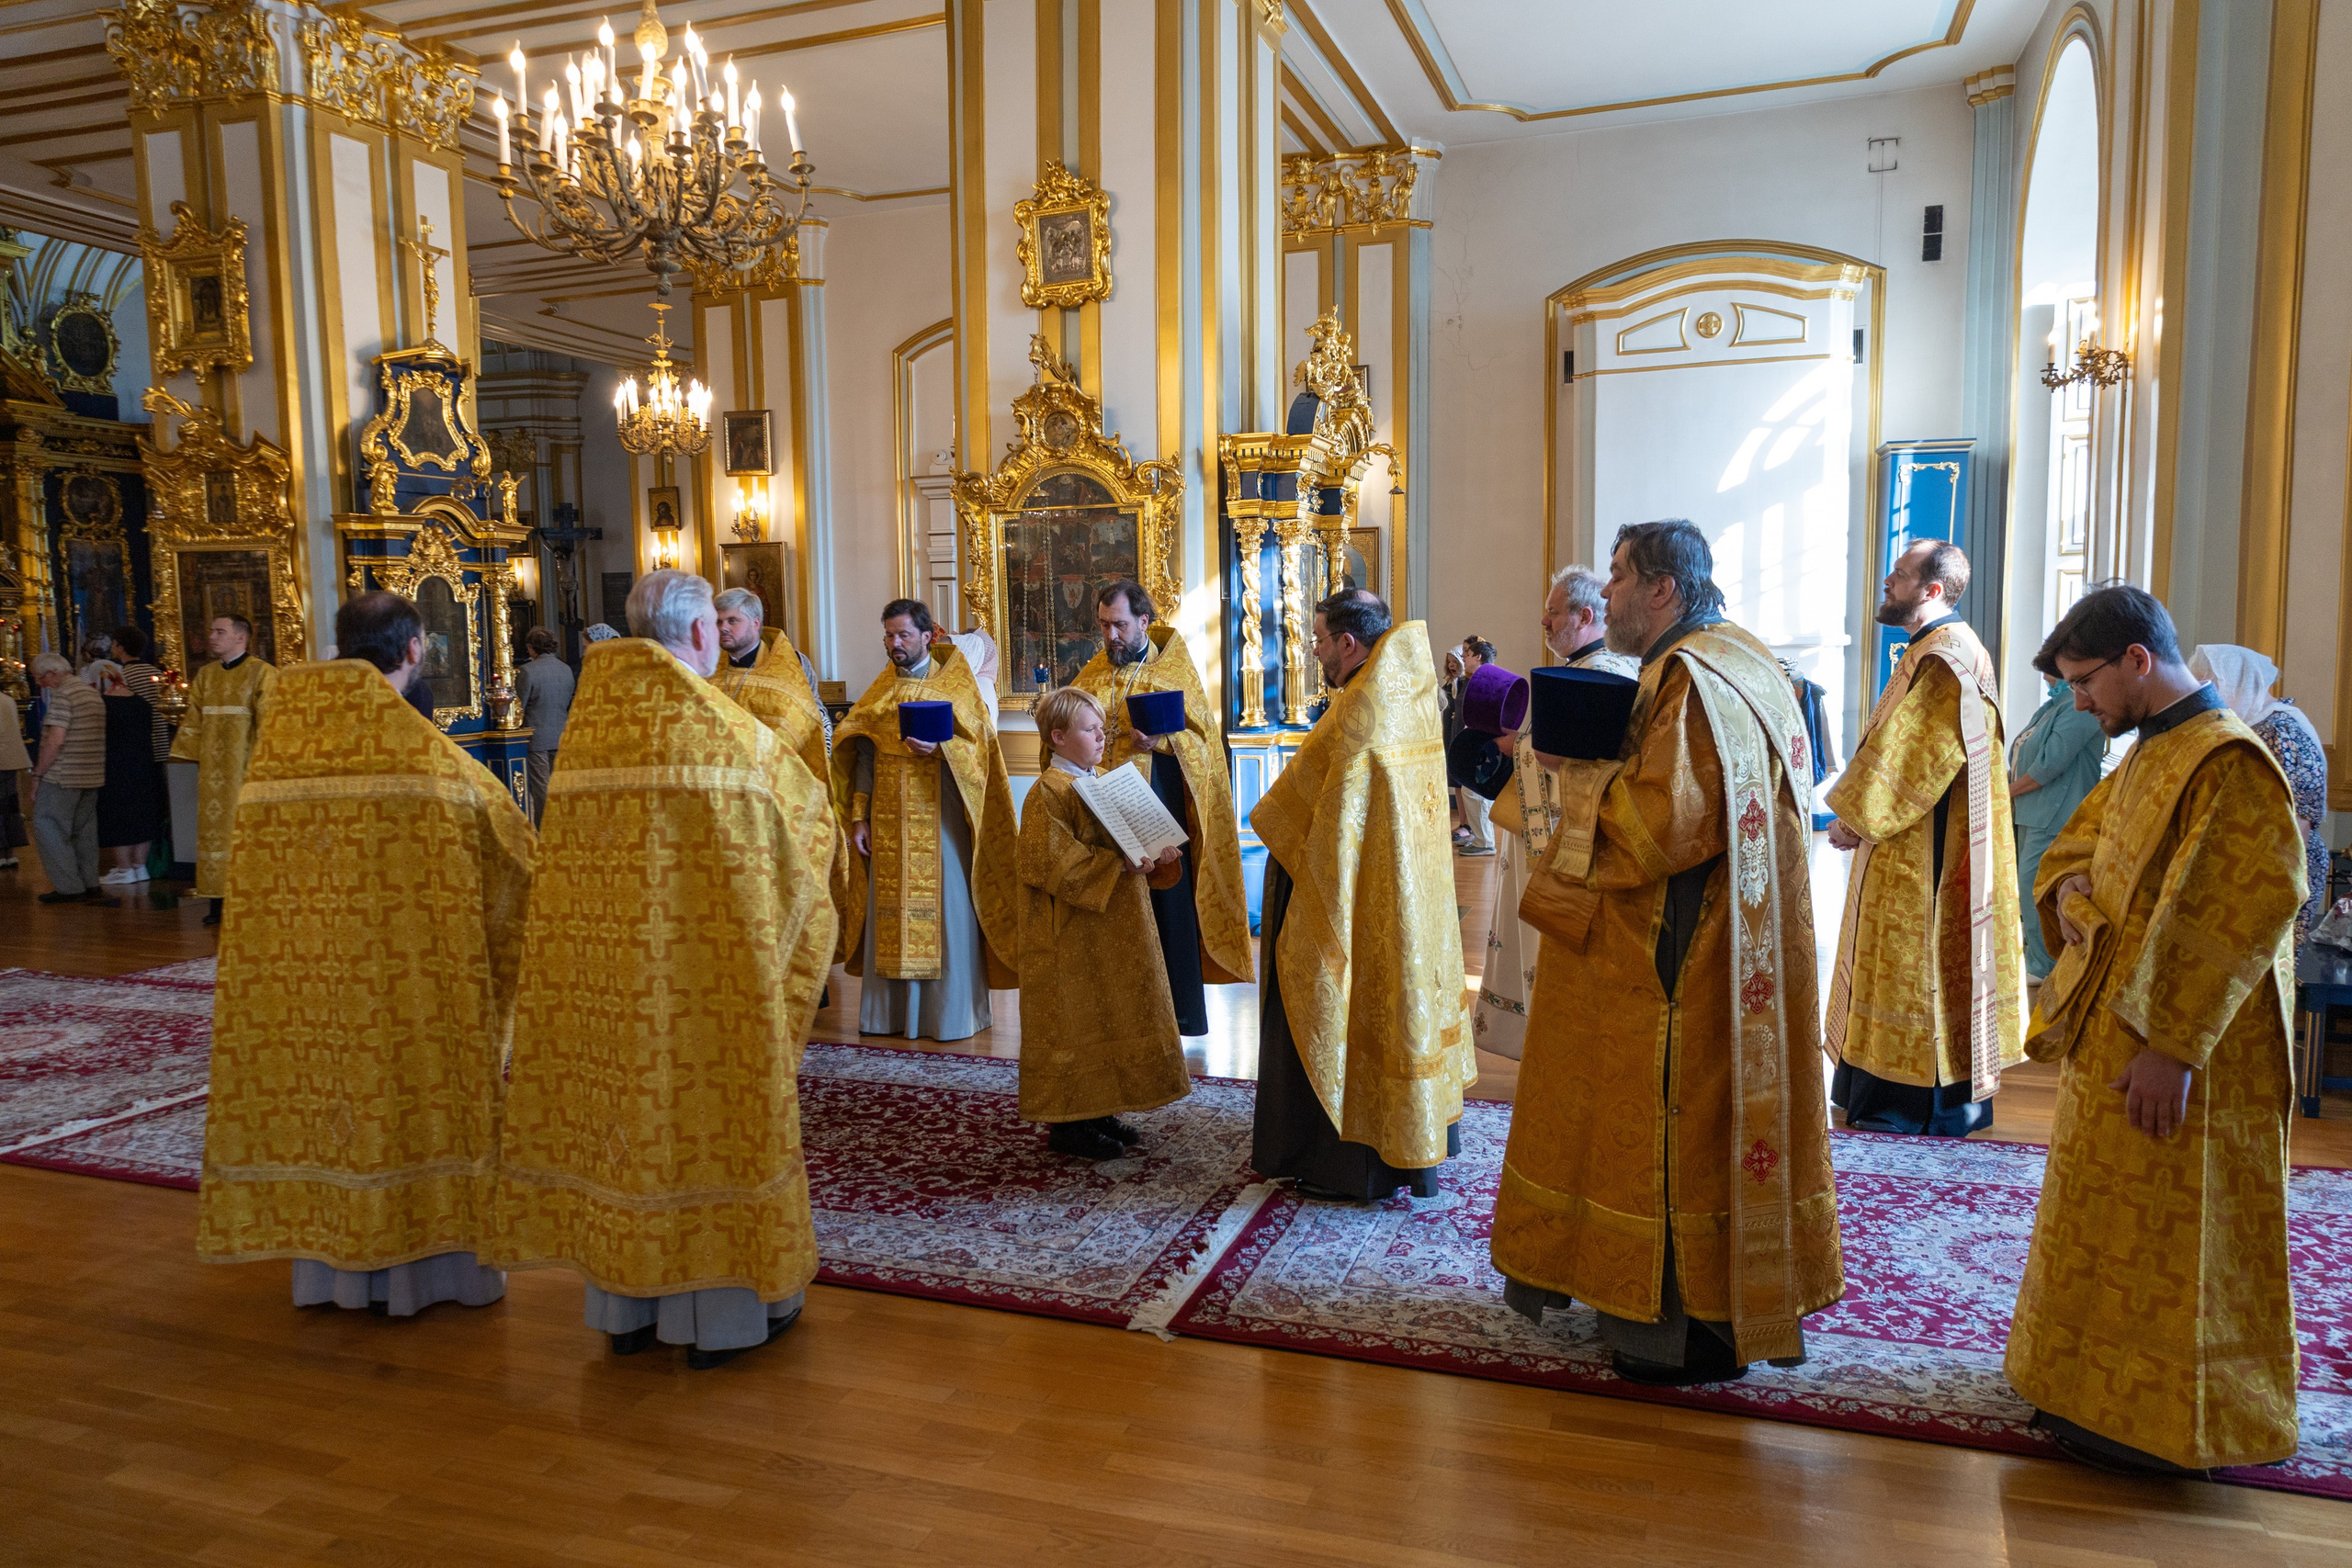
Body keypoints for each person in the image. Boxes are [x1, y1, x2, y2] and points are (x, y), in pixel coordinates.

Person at [1491, 519, 1839, 1386]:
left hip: (1680, 955)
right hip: (1736, 944)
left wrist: (1563, 772)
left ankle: (1671, 1328)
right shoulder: (1742, 657)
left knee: (1668, 1123)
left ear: (1664, 591)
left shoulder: (1689, 678)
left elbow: (1654, 827)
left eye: (1616, 578)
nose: (1603, 594)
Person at [495, 570, 838, 1369]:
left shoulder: (592, 728)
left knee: (632, 1131)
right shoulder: (724, 731)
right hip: (712, 984)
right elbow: (805, 835)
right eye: (715, 629)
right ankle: (725, 1319)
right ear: (697, 635)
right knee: (715, 1127)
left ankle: (628, 1308)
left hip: (612, 985)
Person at [2008, 584, 2305, 1476]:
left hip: (2188, 1061)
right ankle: (2088, 1395)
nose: (2079, 704)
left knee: (2187, 1242)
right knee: (2109, 1230)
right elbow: (2073, 849)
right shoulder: (2147, 754)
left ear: (2138, 660)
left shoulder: (2227, 763)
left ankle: (2179, 1424)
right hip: (2116, 1039)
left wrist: (2169, 1048)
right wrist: (2063, 891)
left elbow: (2238, 910)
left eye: (2084, 684)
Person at [198, 590, 532, 1317]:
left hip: (308, 987)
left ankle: (330, 1269)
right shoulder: (429, 759)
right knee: (414, 1103)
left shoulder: (282, 746)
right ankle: (432, 1270)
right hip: (410, 986)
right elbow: (513, 858)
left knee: (328, 1103)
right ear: (413, 650)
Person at [1250, 592, 1475, 1201]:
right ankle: (1408, 1146)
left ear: (1348, 643)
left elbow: (1316, 809)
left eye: (1319, 639)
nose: (1315, 650)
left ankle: (1343, 1162)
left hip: (1364, 893)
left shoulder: (1364, 709)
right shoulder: (1402, 688)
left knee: (1344, 1004)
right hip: (1407, 895)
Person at [1823, 540, 2025, 1136]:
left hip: (1925, 853)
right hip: (1906, 842)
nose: (1888, 580)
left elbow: (1914, 756)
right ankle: (1872, 1085)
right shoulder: (1931, 649)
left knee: (1917, 966)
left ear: (1932, 590)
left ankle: (1912, 1101)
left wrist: (1855, 816)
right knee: (1890, 961)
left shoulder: (1946, 658)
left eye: (1902, 574)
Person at [830, 598, 1019, 1043]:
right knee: (890, 915)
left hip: (943, 819)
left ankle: (950, 1015)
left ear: (928, 636)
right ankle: (888, 1017)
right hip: (889, 826)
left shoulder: (957, 685)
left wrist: (944, 749)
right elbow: (862, 757)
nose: (895, 644)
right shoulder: (880, 691)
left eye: (904, 636)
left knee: (948, 915)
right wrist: (859, 819)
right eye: (889, 636)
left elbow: (982, 751)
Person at [1071, 581, 1254, 1036]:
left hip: (1156, 814)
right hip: (1102, 819)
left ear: (1143, 622)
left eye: (1119, 625)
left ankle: (1174, 1016)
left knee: (1165, 912)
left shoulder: (1173, 671)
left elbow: (1204, 744)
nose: (1110, 636)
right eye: (1103, 626)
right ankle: (1115, 1015)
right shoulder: (1092, 674)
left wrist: (1165, 741)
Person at [1471, 565, 1637, 1061]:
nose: (1543, 622)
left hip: (1569, 849)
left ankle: (1557, 1041)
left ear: (1586, 616)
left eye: (1553, 611)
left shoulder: (1605, 679)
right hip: (1539, 840)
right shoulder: (1583, 675)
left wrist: (1518, 746)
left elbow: (1577, 762)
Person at [1016, 686, 1190, 1159]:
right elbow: (1048, 863)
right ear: (1057, 737)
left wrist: (1159, 853)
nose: (1100, 737)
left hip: (1116, 924)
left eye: (1102, 729)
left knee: (1110, 1011)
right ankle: (1069, 1125)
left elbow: (1132, 842)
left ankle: (1101, 1108)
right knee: (1076, 1020)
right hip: (1069, 933)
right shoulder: (1046, 793)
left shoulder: (1107, 780)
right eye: (1090, 730)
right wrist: (1121, 865)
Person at [2190, 644, 2329, 947]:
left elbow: (2297, 817)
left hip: (2281, 869)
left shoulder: (2281, 729)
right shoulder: (2260, 724)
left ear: (2238, 682)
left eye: (2211, 686)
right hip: (2259, 866)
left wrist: (2276, 888)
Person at [170, 614, 277, 926]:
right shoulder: (205, 675)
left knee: (246, 835)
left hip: (246, 773)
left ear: (241, 637)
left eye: (220, 631)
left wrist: (263, 768)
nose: (212, 636)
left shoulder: (263, 674)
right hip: (213, 775)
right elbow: (193, 721)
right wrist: (187, 758)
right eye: (211, 630)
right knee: (213, 836)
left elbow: (270, 724)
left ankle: (250, 899)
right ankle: (217, 901)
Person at [2009, 672, 2107, 979]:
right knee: (2023, 885)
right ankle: (2034, 955)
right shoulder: (2052, 705)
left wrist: (2002, 792)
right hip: (2031, 810)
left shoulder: (2078, 708)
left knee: (2034, 884)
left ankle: (2048, 965)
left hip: (2057, 811)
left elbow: (2051, 763)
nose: (2043, 675)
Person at [28, 651, 107, 904]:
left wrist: (38, 774)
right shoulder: (90, 693)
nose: (40, 684)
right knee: (83, 832)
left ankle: (70, 888)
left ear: (52, 673)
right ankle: (91, 883)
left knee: (47, 825)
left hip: (63, 775)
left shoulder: (63, 695)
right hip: (90, 773)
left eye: (40, 678)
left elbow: (56, 739)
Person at [91, 661, 162, 885]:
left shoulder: (103, 704)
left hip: (115, 767)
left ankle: (123, 868)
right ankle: (140, 867)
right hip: (144, 763)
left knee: (118, 816)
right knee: (143, 814)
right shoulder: (141, 703)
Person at [514, 625, 574, 827]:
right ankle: (564, 826)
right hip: (561, 734)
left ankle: (547, 831)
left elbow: (518, 706)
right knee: (560, 787)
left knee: (542, 791)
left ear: (531, 647)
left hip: (536, 737)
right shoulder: (565, 669)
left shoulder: (527, 671)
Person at [1452, 637, 1498, 857]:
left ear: (1478, 657)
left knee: (1475, 791)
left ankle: (1485, 841)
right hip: (1478, 738)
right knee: (1472, 791)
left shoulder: (1486, 677)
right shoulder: (1477, 677)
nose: (1464, 658)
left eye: (1468, 655)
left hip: (1483, 741)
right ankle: (1480, 838)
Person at [110, 625, 173, 764]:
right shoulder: (156, 672)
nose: (112, 647)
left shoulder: (123, 675)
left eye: (114, 644)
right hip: (162, 742)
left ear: (121, 648)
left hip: (140, 746)